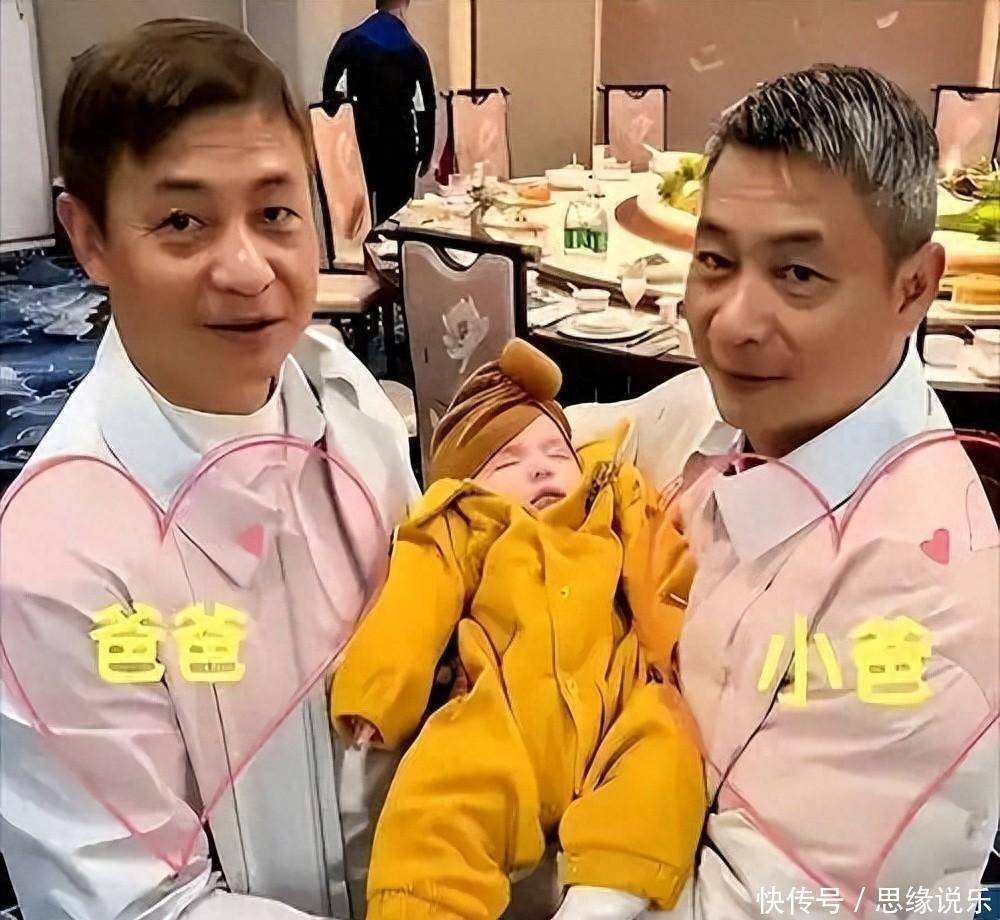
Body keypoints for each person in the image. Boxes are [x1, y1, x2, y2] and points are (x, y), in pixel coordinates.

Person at [0, 19, 418, 919]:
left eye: (275, 214)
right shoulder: (53, 563)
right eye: (183, 222)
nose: (247, 269)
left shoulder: (344, 396)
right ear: (90, 238)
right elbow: (142, 904)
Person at [615, 65, 997, 918]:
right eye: (715, 261)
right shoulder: (729, 416)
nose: (732, 321)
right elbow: (575, 440)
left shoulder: (923, 601)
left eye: (797, 275)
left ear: (914, 287)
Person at [331, 339, 703, 920]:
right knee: (436, 801)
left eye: (557, 452)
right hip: (501, 712)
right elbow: (416, 598)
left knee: (667, 749)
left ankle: (604, 895)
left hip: (617, 702)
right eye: (508, 462)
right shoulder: (467, 521)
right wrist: (377, 691)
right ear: (471, 484)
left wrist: (679, 654)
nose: (541, 466)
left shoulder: (610, 505)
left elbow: (659, 573)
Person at [322, 0, 436, 223]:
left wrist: (337, 135)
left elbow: (330, 91)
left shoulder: (350, 40)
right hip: (399, 143)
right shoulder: (412, 49)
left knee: (358, 216)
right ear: (405, 4)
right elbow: (426, 105)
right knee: (394, 218)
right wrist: (426, 150)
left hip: (360, 138)